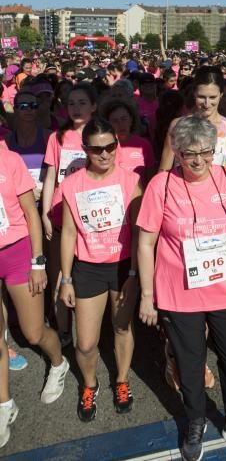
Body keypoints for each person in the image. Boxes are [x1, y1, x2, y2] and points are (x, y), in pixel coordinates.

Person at [138, 116, 226, 461]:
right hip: (179, 293)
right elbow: (146, 242)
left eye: (206, 152)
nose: (199, 161)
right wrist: (148, 296)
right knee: (189, 364)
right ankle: (196, 419)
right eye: (190, 154)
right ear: (176, 153)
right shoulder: (160, 185)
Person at [60, 119, 142, 421]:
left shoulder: (130, 180)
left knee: (122, 327)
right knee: (85, 342)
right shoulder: (72, 184)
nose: (105, 154)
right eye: (97, 149)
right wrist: (66, 279)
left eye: (110, 146)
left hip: (122, 267)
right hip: (88, 268)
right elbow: (68, 233)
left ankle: (121, 380)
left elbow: (138, 231)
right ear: (85, 150)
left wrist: (135, 274)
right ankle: (90, 384)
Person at [0, 148, 69, 448]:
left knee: (32, 332)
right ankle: (4, 405)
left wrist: (37, 262)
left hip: (16, 251)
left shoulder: (9, 160)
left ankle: (58, 363)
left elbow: (30, 212)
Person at [42, 83, 97, 345]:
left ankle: (91, 329)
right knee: (59, 274)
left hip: (90, 217)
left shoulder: (101, 135)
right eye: (72, 103)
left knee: (86, 276)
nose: (76, 108)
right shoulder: (57, 137)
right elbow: (51, 175)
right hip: (60, 214)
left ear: (94, 106)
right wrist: (44, 212)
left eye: (82, 103)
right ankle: (63, 329)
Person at [159, 67, 226, 173]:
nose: (207, 104)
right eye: (201, 97)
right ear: (194, 93)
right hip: (180, 188)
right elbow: (163, 171)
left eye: (212, 97)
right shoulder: (177, 125)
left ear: (221, 95)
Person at [100, 98, 155, 183]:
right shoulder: (102, 147)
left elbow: (151, 180)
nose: (120, 124)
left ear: (131, 120)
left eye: (124, 119)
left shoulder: (144, 145)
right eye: (115, 121)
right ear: (108, 124)